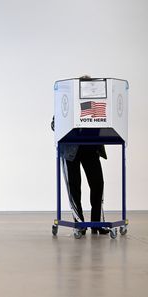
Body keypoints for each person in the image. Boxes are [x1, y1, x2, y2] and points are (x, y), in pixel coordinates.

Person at [52, 75, 108, 235]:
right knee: (74, 187)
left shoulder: (98, 103)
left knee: (98, 184)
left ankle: (96, 223)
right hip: (71, 151)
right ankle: (80, 224)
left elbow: (104, 119)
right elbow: (55, 123)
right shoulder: (68, 102)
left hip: (91, 149)